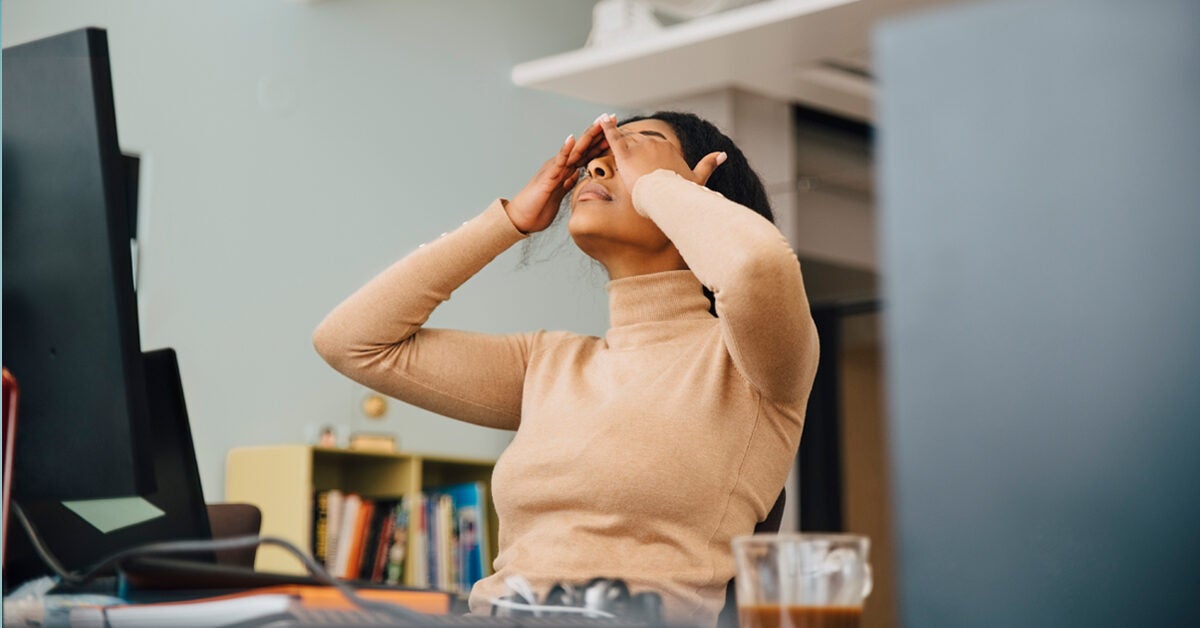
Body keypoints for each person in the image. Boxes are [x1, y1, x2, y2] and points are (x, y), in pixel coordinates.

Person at [313, 112, 819, 626]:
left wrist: (660, 189)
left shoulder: (752, 363)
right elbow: (352, 342)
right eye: (597, 157)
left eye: (634, 150)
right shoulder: (547, 363)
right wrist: (508, 221)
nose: (598, 167)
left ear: (699, 189)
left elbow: (757, 265)